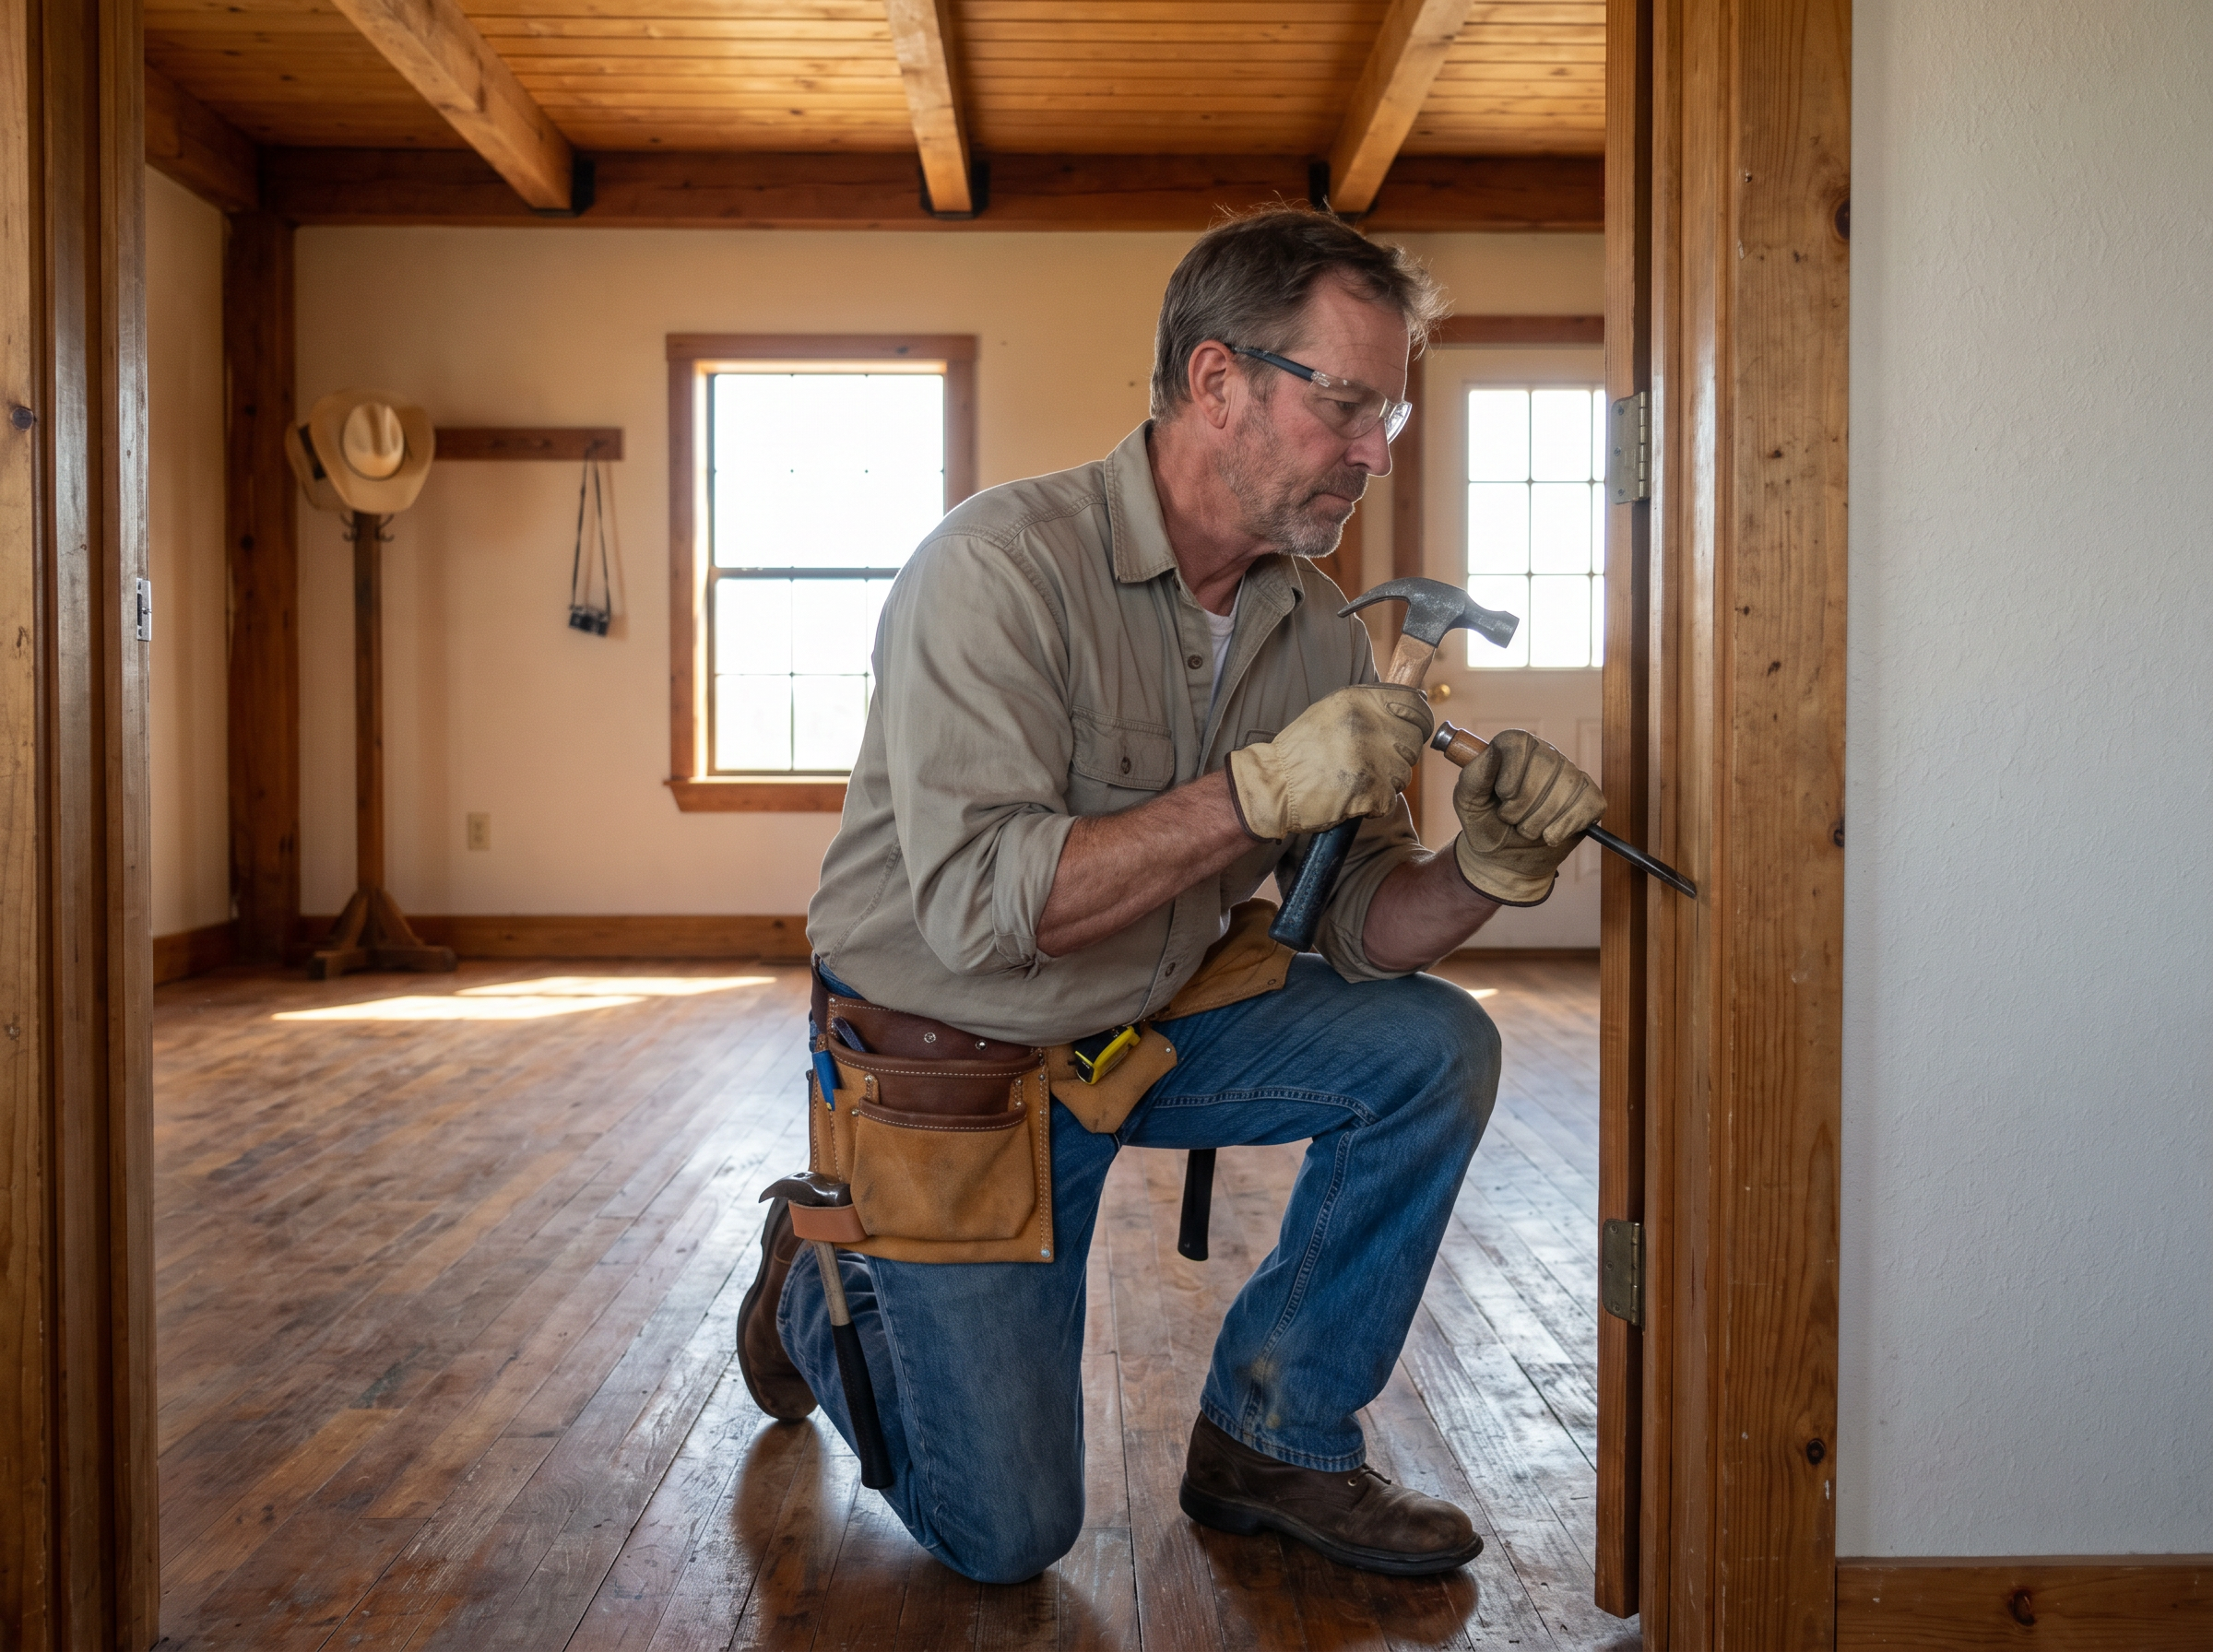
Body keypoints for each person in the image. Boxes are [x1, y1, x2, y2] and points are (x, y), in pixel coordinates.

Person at [734, 206, 1606, 1584]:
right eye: (1350, 403)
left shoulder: (1313, 627)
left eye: (1394, 411)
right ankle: (816, 1284)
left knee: (1436, 1047)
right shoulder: (999, 569)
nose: (1379, 449)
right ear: (1218, 383)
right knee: (1008, 1537)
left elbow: (1354, 918)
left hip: (1144, 1030)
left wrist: (1480, 875)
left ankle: (1275, 1434)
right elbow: (978, 908)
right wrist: (1257, 793)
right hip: (949, 1079)